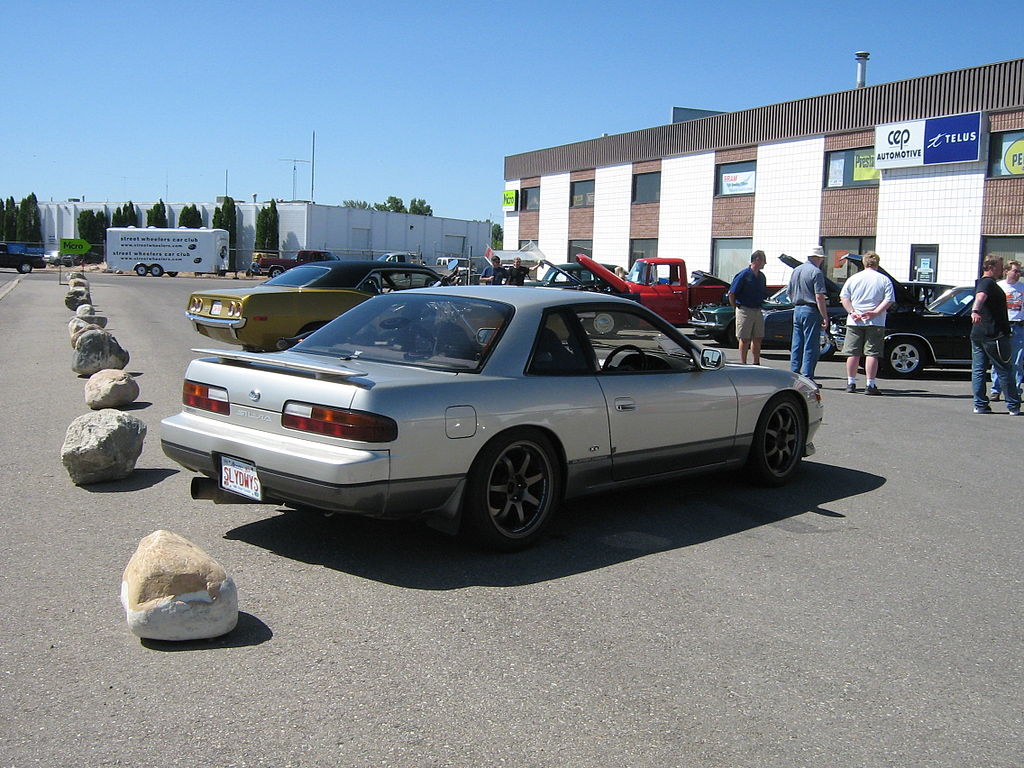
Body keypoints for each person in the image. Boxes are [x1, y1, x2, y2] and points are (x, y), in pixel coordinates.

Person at [839, 251, 895, 395]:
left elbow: (844, 297)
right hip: (875, 321)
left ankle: (851, 383)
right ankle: (870, 384)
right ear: (877, 263)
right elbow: (889, 300)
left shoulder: (853, 278)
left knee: (852, 353)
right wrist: (875, 312)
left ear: (864, 263)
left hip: (854, 320)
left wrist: (852, 312)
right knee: (872, 353)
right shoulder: (884, 280)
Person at [971, 255, 1021, 415]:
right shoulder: (988, 283)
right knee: (1004, 369)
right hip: (994, 335)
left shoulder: (982, 282)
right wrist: (975, 310)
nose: (1001, 269)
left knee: (978, 369)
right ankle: (1013, 405)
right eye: (999, 266)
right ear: (992, 267)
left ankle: (980, 405)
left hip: (979, 334)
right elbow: (980, 297)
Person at [787, 246, 830, 383]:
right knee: (811, 345)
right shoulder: (816, 272)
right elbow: (819, 296)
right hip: (810, 309)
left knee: (797, 343)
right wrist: (824, 316)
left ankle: (794, 373)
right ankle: (807, 377)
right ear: (818, 258)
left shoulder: (796, 270)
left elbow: (789, 292)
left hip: (797, 308)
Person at [989, 260, 1024, 402]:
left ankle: (1015, 390)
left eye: (1019, 271)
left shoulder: (1022, 287)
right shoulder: (999, 287)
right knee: (999, 359)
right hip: (1002, 326)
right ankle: (995, 390)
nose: (1017, 274)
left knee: (1017, 361)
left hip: (1019, 327)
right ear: (1006, 271)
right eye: (1015, 271)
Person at [727, 250, 769, 364]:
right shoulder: (743, 275)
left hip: (757, 310)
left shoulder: (761, 277)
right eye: (764, 260)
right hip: (744, 309)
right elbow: (731, 293)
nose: (765, 263)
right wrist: (736, 307)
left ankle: (756, 363)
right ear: (757, 260)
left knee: (758, 337)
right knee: (744, 338)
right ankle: (743, 363)